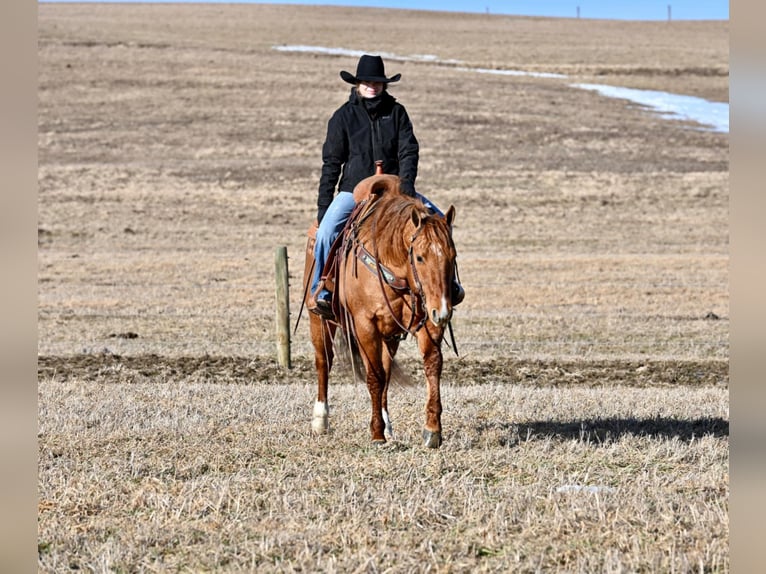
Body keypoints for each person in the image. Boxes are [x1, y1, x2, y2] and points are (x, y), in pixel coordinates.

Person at [308, 54, 463, 319]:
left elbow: (408, 151)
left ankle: (449, 284)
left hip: (396, 191)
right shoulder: (342, 117)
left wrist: (407, 188)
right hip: (353, 191)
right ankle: (321, 291)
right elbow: (331, 163)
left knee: (439, 224)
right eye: (367, 81)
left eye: (377, 82)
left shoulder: (397, 113)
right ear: (357, 84)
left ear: (384, 85)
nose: (372, 86)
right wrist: (324, 207)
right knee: (325, 233)